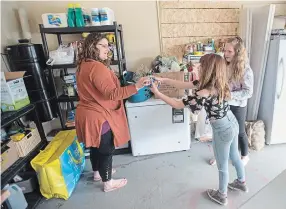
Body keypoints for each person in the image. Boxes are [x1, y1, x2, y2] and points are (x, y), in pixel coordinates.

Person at [151, 54, 248, 206]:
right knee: (235, 155)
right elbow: (182, 85)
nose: (198, 67)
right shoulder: (218, 82)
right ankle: (241, 182)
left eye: (201, 65)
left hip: (222, 129)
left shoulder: (204, 92)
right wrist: (163, 80)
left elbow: (178, 104)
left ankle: (222, 195)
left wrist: (158, 94)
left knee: (222, 166)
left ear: (208, 69)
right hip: (232, 123)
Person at [75, 33, 148, 192]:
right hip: (99, 116)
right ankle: (108, 183)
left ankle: (97, 173)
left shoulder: (84, 64)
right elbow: (112, 94)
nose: (107, 49)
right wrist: (137, 86)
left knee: (95, 146)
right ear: (91, 46)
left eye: (108, 45)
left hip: (87, 113)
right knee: (106, 149)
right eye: (102, 45)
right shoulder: (97, 67)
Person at [209, 37, 254, 166]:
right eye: (225, 51)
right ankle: (220, 155)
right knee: (221, 132)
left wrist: (230, 95)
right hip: (224, 103)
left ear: (238, 53)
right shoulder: (224, 64)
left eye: (229, 51)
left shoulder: (246, 70)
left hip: (238, 106)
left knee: (239, 132)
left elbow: (248, 92)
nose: (225, 54)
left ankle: (245, 156)